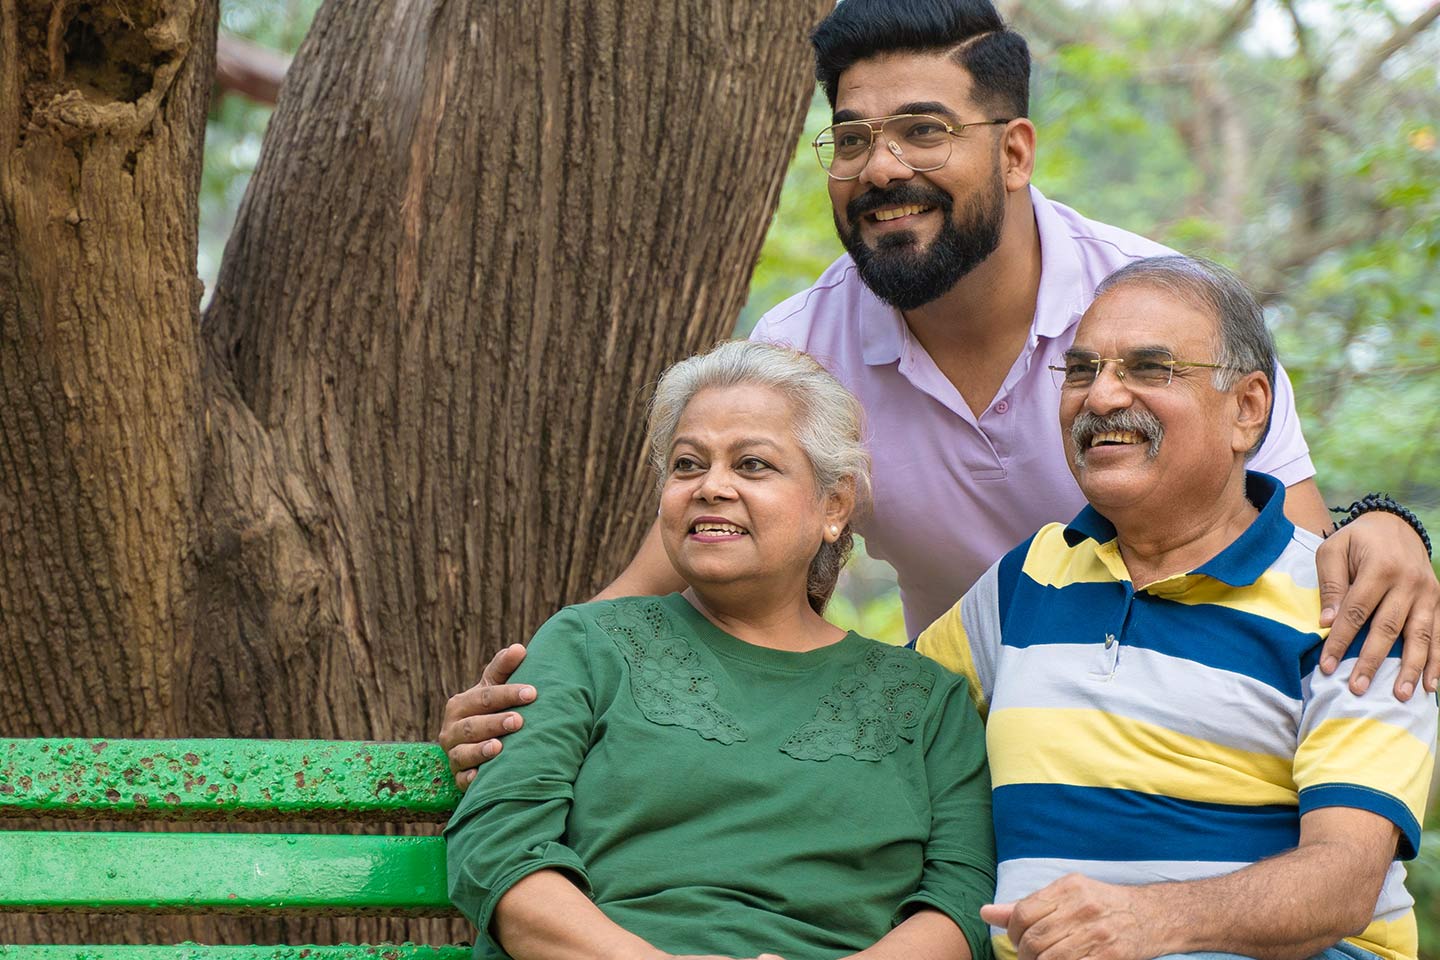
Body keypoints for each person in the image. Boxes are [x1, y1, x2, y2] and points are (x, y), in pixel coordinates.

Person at [438, 0, 1438, 781]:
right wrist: (534, 696)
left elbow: (1301, 568)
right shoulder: (803, 351)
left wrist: (1386, 522)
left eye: (923, 131)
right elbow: (676, 574)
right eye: (852, 138)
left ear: (1013, 151)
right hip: (961, 757)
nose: (882, 169)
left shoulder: (1153, 319)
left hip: (1189, 753)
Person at [918, 256, 1437, 960]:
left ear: (1247, 410)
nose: (1100, 397)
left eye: (1150, 368)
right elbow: (886, 728)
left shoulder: (1351, 602)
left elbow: (1343, 884)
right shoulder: (1029, 578)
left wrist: (1151, 920)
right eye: (1080, 369)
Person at [445, 340, 997, 960]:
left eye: (753, 464)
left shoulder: (927, 699)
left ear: (834, 505)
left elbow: (962, 897)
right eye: (687, 465)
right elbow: (498, 849)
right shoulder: (587, 644)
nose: (712, 487)